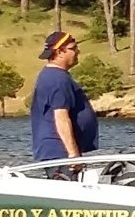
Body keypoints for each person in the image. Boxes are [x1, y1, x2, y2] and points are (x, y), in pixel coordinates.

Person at [30, 30, 98, 175]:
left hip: (60, 152)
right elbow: (61, 117)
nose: (77, 52)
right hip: (60, 153)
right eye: (73, 48)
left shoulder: (55, 76)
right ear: (60, 52)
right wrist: (73, 155)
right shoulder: (57, 79)